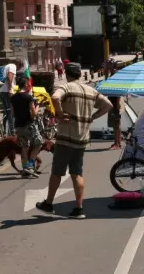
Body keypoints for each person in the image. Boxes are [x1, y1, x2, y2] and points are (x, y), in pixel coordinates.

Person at [36, 62, 111, 220]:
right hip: (82, 139)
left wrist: (60, 113)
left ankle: (48, 203)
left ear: (68, 74)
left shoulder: (67, 87)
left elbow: (55, 97)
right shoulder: (91, 90)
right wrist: (92, 117)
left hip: (65, 138)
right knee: (77, 173)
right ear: (79, 74)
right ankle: (79, 208)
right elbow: (108, 105)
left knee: (57, 172)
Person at [12, 75, 43, 176]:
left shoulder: (13, 98)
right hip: (29, 125)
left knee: (24, 147)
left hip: (18, 126)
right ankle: (30, 165)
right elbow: (33, 114)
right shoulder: (28, 97)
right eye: (28, 83)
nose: (29, 84)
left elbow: (12, 113)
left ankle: (25, 169)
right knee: (38, 143)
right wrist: (38, 105)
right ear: (25, 84)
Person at [0, 58, 23, 134]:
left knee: (6, 112)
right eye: (20, 67)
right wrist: (10, 89)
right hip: (7, 91)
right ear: (18, 64)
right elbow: (10, 77)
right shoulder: (13, 66)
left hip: (1, 91)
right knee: (11, 112)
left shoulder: (6, 66)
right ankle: (12, 132)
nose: (19, 69)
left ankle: (4, 130)